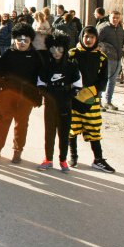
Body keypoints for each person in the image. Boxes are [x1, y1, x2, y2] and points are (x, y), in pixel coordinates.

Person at [0, 23, 43, 164]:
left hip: (26, 96)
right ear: (14, 39)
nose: (22, 43)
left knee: (21, 123)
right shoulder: (8, 54)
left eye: (26, 40)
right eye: (19, 40)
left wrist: (38, 96)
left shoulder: (35, 56)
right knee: (3, 120)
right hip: (8, 94)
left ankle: (17, 151)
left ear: (30, 41)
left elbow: (41, 77)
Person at [68, 26, 115, 173]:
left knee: (94, 128)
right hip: (73, 98)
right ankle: (73, 155)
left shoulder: (101, 57)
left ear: (96, 39)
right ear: (82, 37)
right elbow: (66, 74)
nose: (88, 40)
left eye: (92, 37)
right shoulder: (72, 54)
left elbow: (103, 80)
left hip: (91, 99)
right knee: (72, 128)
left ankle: (98, 159)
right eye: (86, 36)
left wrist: (91, 92)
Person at [36, 32, 81, 173]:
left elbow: (78, 84)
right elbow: (40, 83)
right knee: (49, 132)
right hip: (50, 103)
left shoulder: (71, 65)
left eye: (60, 49)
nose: (56, 52)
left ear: (65, 49)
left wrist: (69, 95)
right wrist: (46, 93)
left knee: (64, 132)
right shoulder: (46, 65)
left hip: (65, 103)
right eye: (53, 49)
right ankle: (48, 159)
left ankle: (63, 160)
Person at [97, 11, 124, 110]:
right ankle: (98, 102)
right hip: (106, 58)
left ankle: (108, 102)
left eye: (117, 17)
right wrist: (106, 48)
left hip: (117, 58)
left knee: (112, 81)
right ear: (109, 18)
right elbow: (97, 41)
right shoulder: (104, 28)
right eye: (113, 17)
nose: (115, 19)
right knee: (103, 80)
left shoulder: (121, 30)